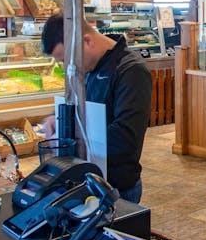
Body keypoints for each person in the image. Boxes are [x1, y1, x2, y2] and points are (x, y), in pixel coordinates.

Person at [39, 17, 152, 204]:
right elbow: (76, 106)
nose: (67, 66)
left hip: (116, 187)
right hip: (84, 179)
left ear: (87, 41)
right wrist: (56, 120)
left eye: (67, 59)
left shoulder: (131, 71)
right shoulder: (85, 68)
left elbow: (125, 139)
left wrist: (70, 137)